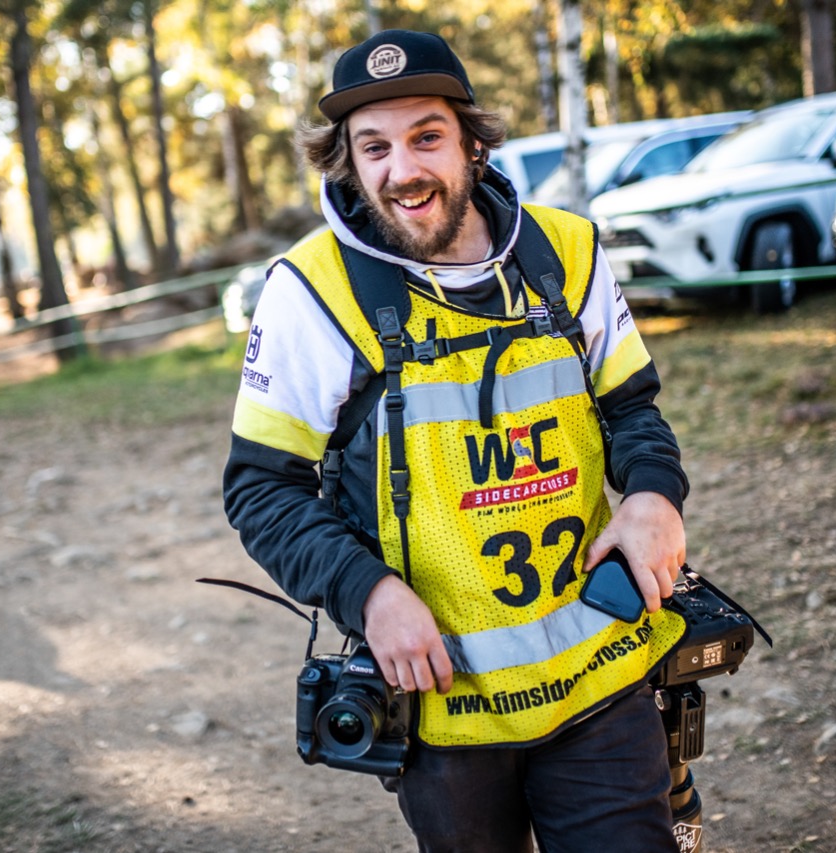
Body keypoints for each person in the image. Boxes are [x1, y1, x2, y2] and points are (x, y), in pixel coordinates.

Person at [222, 30, 690, 853]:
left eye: (426, 136)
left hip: (603, 672)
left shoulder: (568, 251)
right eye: (374, 147)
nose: (401, 169)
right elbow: (262, 488)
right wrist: (369, 594)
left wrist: (653, 494)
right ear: (348, 162)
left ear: (473, 141)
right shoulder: (311, 292)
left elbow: (632, 408)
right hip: (442, 706)